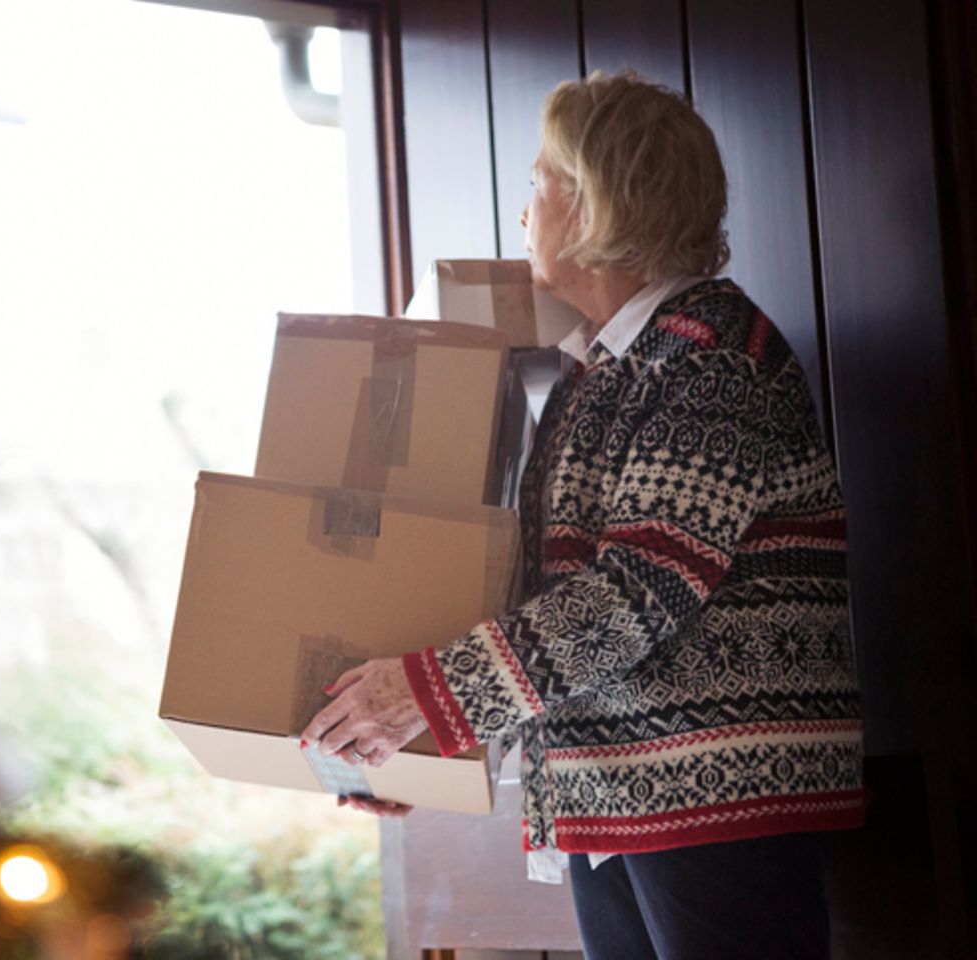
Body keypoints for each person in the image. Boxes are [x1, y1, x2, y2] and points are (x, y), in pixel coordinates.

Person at [299, 71, 864, 959]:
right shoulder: (594, 374)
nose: (522, 211)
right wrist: (432, 743)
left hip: (716, 793)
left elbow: (634, 594)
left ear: (597, 200)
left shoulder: (711, 358)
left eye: (538, 182)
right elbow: (547, 608)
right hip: (624, 795)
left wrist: (431, 699)